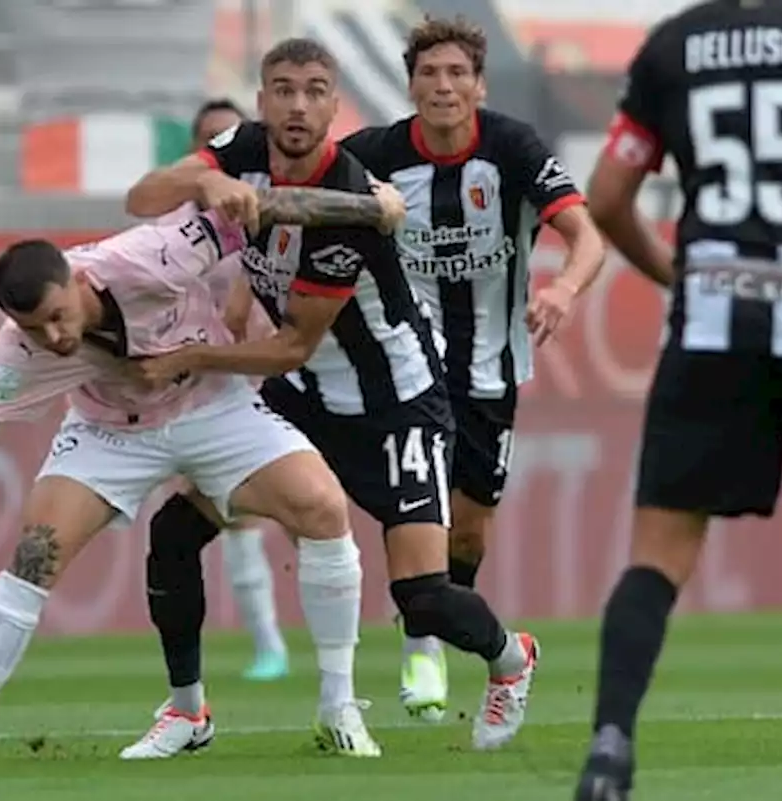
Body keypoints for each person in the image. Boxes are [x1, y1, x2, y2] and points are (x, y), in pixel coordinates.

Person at [0, 182, 409, 769]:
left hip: (212, 408)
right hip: (110, 433)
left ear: (75, 280)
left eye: (58, 317)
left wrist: (372, 209)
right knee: (36, 553)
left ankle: (339, 707)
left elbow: (259, 208)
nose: (54, 338)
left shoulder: (152, 257)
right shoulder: (18, 354)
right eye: (35, 328)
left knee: (322, 507)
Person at [122, 37, 540, 758]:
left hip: (396, 403)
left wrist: (191, 357)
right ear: (261, 101)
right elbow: (142, 197)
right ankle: (188, 711)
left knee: (425, 597)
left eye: (315, 90)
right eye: (282, 88)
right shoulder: (242, 146)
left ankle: (511, 659)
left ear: (333, 106)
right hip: (303, 397)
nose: (296, 104)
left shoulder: (349, 197)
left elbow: (291, 343)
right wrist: (204, 181)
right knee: (174, 534)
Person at [576, 1, 782, 798]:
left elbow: (610, 194)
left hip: (716, 312)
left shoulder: (675, 45)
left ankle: (609, 750)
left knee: (658, 555)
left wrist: (674, 275)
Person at [339, 15, 606, 721]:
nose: (444, 86)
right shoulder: (374, 154)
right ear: (412, 85)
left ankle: (439, 613)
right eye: (430, 74)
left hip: (492, 368)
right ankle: (420, 642)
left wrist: (563, 287)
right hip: (407, 366)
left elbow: (586, 236)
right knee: (413, 500)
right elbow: (308, 199)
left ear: (479, 85)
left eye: (458, 74)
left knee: (468, 526)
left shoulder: (513, 147)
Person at [183, 96, 292, 682]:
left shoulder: (281, 204)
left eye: (234, 138)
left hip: (283, 370)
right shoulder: (180, 224)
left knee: (311, 509)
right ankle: (269, 646)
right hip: (214, 379)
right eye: (212, 142)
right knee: (232, 513)